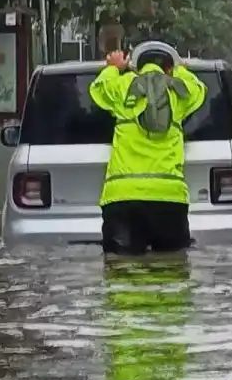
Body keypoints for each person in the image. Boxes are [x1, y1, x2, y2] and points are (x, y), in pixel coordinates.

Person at [89, 47, 208, 254]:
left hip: (122, 198)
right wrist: (180, 70)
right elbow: (198, 90)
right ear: (168, 68)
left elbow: (98, 89)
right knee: (172, 275)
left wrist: (113, 68)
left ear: (137, 67)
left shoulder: (123, 86)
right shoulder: (179, 91)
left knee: (122, 274)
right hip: (169, 198)